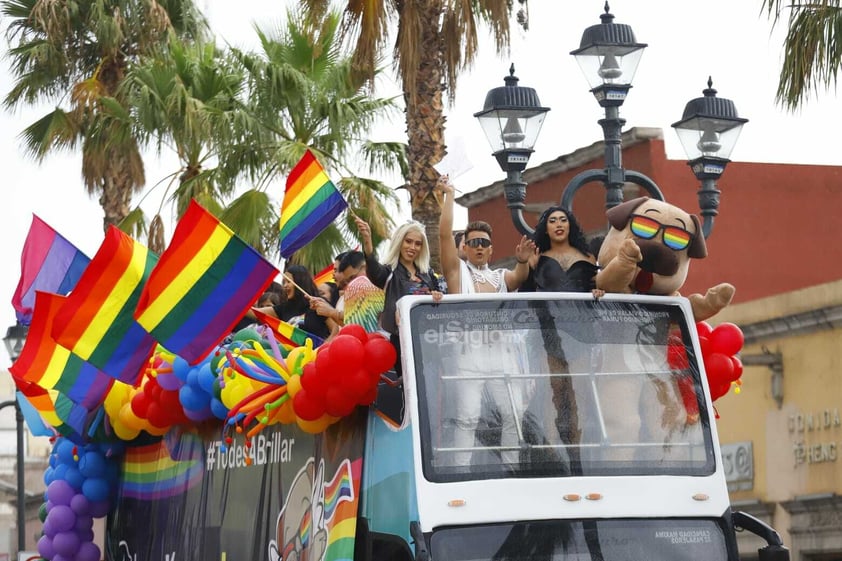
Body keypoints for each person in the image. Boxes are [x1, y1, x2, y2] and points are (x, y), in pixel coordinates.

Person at [438, 177, 535, 294]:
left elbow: (519, 277)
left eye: (484, 243)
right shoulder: (457, 271)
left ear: (490, 249)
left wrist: (523, 261)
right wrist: (449, 194)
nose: (479, 247)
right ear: (464, 247)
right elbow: (445, 235)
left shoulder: (500, 277)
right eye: (474, 243)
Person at [529, 206, 600, 293]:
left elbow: (596, 287)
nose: (559, 225)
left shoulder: (587, 256)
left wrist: (598, 291)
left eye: (563, 220)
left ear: (570, 226)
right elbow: (526, 293)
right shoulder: (537, 257)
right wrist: (530, 269)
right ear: (546, 229)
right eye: (552, 221)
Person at [254, 265, 332, 340]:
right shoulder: (284, 308)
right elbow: (254, 312)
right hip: (288, 352)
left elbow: (335, 330)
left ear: (299, 282)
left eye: (288, 281)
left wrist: (321, 350)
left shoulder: (318, 303)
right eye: (284, 282)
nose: (284, 286)